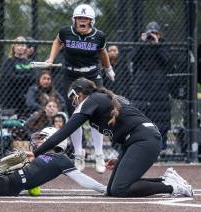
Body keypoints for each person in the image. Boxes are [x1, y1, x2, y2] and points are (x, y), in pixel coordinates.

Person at [30, 77, 193, 197]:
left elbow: (64, 132)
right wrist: (125, 156)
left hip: (144, 139)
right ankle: (167, 180)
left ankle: (171, 186)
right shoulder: (100, 99)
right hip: (137, 140)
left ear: (79, 93)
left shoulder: (91, 100)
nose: (73, 101)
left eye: (73, 97)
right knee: (112, 190)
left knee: (119, 190)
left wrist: (36, 153)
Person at [44, 4, 114, 173]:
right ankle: (78, 155)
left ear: (92, 21)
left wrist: (108, 68)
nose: (82, 21)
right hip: (72, 77)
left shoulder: (99, 36)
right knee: (76, 116)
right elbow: (57, 41)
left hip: (92, 77)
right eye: (80, 18)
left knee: (97, 113)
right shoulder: (66, 32)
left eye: (86, 19)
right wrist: (51, 57)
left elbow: (102, 52)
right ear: (74, 20)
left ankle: (99, 155)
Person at [130, 21, 172, 150]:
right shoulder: (141, 45)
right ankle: (141, 143)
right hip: (141, 86)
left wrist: (157, 44)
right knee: (140, 114)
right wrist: (141, 43)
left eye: (154, 33)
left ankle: (161, 146)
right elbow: (132, 58)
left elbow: (167, 61)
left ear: (159, 34)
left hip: (159, 86)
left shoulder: (163, 45)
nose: (152, 36)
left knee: (161, 116)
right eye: (150, 33)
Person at [0, 36, 35, 118]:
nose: (20, 47)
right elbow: (10, 77)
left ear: (26, 48)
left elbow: (34, 77)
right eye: (18, 45)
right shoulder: (9, 62)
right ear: (14, 47)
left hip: (26, 96)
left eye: (23, 45)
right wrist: (26, 77)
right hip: (11, 97)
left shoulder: (29, 62)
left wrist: (20, 77)